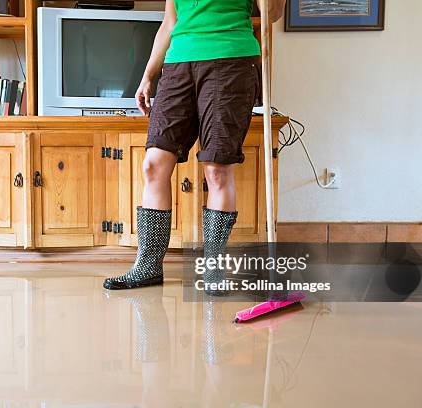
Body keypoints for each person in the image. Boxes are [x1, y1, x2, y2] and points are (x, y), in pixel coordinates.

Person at [104, 0, 286, 290]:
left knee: (216, 170)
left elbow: (272, 15)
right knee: (153, 165)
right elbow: (170, 23)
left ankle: (213, 271)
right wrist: (148, 75)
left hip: (231, 62)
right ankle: (148, 266)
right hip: (178, 66)